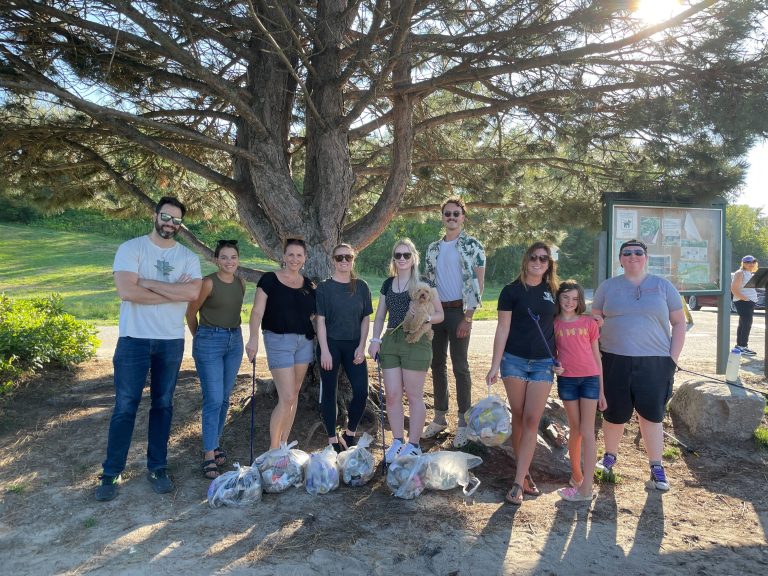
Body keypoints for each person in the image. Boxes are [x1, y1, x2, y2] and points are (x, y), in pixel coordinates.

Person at [96, 197, 202, 501]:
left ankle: (157, 467)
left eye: (176, 220)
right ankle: (111, 472)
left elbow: (192, 292)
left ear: (180, 225)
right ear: (156, 215)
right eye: (166, 216)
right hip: (134, 339)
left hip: (170, 341)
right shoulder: (131, 249)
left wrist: (148, 283)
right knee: (125, 406)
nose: (170, 223)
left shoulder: (188, 257)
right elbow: (127, 291)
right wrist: (172, 292)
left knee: (163, 405)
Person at [591, 239, 686, 492]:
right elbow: (594, 318)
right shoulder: (608, 287)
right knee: (614, 412)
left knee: (651, 415)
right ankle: (609, 457)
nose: (633, 256)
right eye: (627, 253)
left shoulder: (663, 286)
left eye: (638, 252)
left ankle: (656, 466)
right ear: (620, 259)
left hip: (656, 362)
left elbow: (679, 323)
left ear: (646, 257)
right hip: (614, 359)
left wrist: (672, 359)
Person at [486, 242, 559, 506]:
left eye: (543, 258)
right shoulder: (511, 291)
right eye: (533, 257)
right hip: (514, 362)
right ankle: (525, 474)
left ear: (549, 263)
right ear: (525, 260)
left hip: (543, 365)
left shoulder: (554, 292)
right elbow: (502, 329)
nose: (538, 262)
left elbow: (564, 324)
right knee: (518, 417)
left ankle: (517, 482)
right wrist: (495, 365)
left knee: (531, 419)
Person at [368, 238, 444, 463]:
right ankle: (398, 441)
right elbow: (380, 315)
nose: (402, 259)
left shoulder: (424, 282)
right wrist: (374, 340)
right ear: (393, 259)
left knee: (413, 395)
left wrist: (425, 317)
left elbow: (440, 314)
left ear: (413, 258)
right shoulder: (387, 283)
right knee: (392, 396)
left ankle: (413, 444)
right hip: (391, 339)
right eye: (398, 255)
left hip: (416, 340)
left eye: (406, 255)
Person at [422, 198, 486, 448]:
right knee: (436, 363)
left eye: (456, 213)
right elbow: (428, 283)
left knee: (460, 366)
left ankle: (463, 421)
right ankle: (439, 417)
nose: (451, 217)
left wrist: (468, 317)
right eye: (447, 213)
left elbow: (478, 284)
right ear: (442, 217)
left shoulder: (474, 246)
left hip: (460, 311)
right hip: (437, 312)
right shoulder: (433, 248)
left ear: (463, 217)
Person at [245, 238, 315, 449]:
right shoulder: (269, 279)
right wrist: (253, 338)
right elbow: (257, 311)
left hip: (304, 342)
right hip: (278, 340)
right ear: (283, 257)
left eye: (299, 255)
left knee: (293, 395)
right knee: (286, 396)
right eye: (291, 254)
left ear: (305, 258)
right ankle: (273, 450)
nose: (295, 259)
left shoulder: (309, 284)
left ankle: (284, 445)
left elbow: (312, 316)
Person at [186, 239, 245, 479]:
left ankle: (215, 442)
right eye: (224, 257)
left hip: (235, 341)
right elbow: (191, 311)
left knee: (224, 399)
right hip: (209, 340)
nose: (229, 262)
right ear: (216, 260)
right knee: (213, 398)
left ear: (238, 259)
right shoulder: (208, 282)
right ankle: (209, 454)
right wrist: (200, 336)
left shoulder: (241, 283)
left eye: (233, 257)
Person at [315, 244, 373, 452]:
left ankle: (349, 435)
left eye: (348, 257)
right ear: (333, 260)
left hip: (354, 346)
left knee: (361, 392)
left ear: (353, 259)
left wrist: (361, 347)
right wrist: (325, 351)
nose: (343, 261)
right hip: (330, 345)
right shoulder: (324, 287)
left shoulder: (361, 286)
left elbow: (366, 319)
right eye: (339, 257)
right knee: (329, 392)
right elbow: (320, 321)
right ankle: (332, 439)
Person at [552, 279, 606, 502]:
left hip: (590, 380)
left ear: (580, 301)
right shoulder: (553, 323)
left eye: (575, 299)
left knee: (587, 430)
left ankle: (586, 489)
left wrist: (602, 391)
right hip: (567, 380)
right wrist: (555, 364)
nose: (570, 302)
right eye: (565, 297)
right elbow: (551, 352)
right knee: (574, 428)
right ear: (559, 298)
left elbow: (597, 357)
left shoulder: (588, 323)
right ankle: (577, 476)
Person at [731, 255, 760, 356]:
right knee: (747, 324)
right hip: (743, 302)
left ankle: (740, 346)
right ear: (743, 263)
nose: (751, 264)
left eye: (753, 262)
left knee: (743, 324)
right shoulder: (740, 273)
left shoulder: (749, 273)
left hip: (748, 302)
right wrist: (746, 299)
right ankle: (743, 346)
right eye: (748, 262)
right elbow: (734, 289)